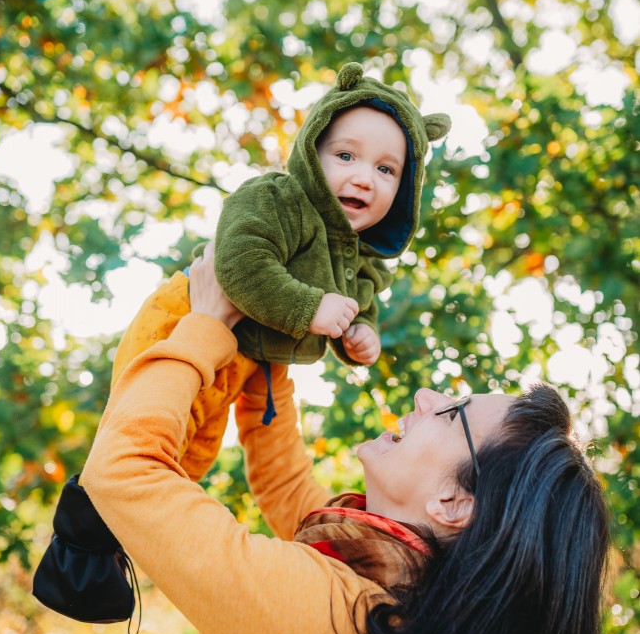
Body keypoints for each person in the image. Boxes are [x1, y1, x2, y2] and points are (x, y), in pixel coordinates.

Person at [80, 249, 610, 634]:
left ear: (454, 501)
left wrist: (206, 324)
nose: (426, 397)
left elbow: (122, 472)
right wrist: (270, 350)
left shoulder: (330, 624)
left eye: (452, 411)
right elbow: (290, 493)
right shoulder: (392, 611)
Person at [111, 61, 451, 480]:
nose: (364, 178)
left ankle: (131, 536)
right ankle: (98, 519)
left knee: (191, 460)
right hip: (181, 325)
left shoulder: (360, 255)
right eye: (346, 155)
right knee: (142, 437)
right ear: (312, 152)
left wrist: (360, 333)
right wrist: (309, 308)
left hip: (244, 361)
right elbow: (239, 264)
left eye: (386, 169)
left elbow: (355, 302)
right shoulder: (278, 200)